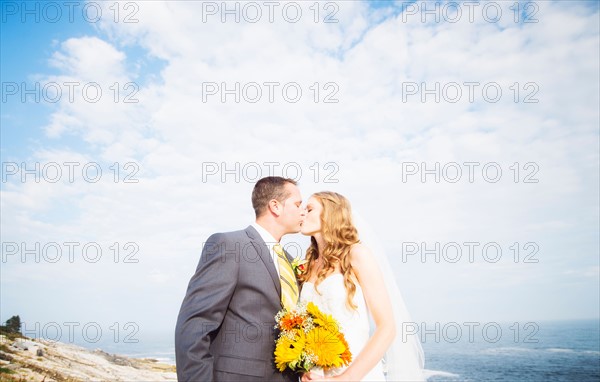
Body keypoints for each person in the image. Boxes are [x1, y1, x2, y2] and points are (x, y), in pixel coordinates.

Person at [175, 176, 305, 382]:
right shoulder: (229, 245)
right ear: (275, 206)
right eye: (298, 204)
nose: (303, 211)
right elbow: (196, 324)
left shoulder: (291, 262)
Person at [299, 192, 425, 382]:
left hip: (355, 374)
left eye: (309, 209)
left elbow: (387, 327)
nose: (302, 213)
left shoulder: (357, 255)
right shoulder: (308, 264)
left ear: (330, 214)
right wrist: (303, 369)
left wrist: (345, 379)